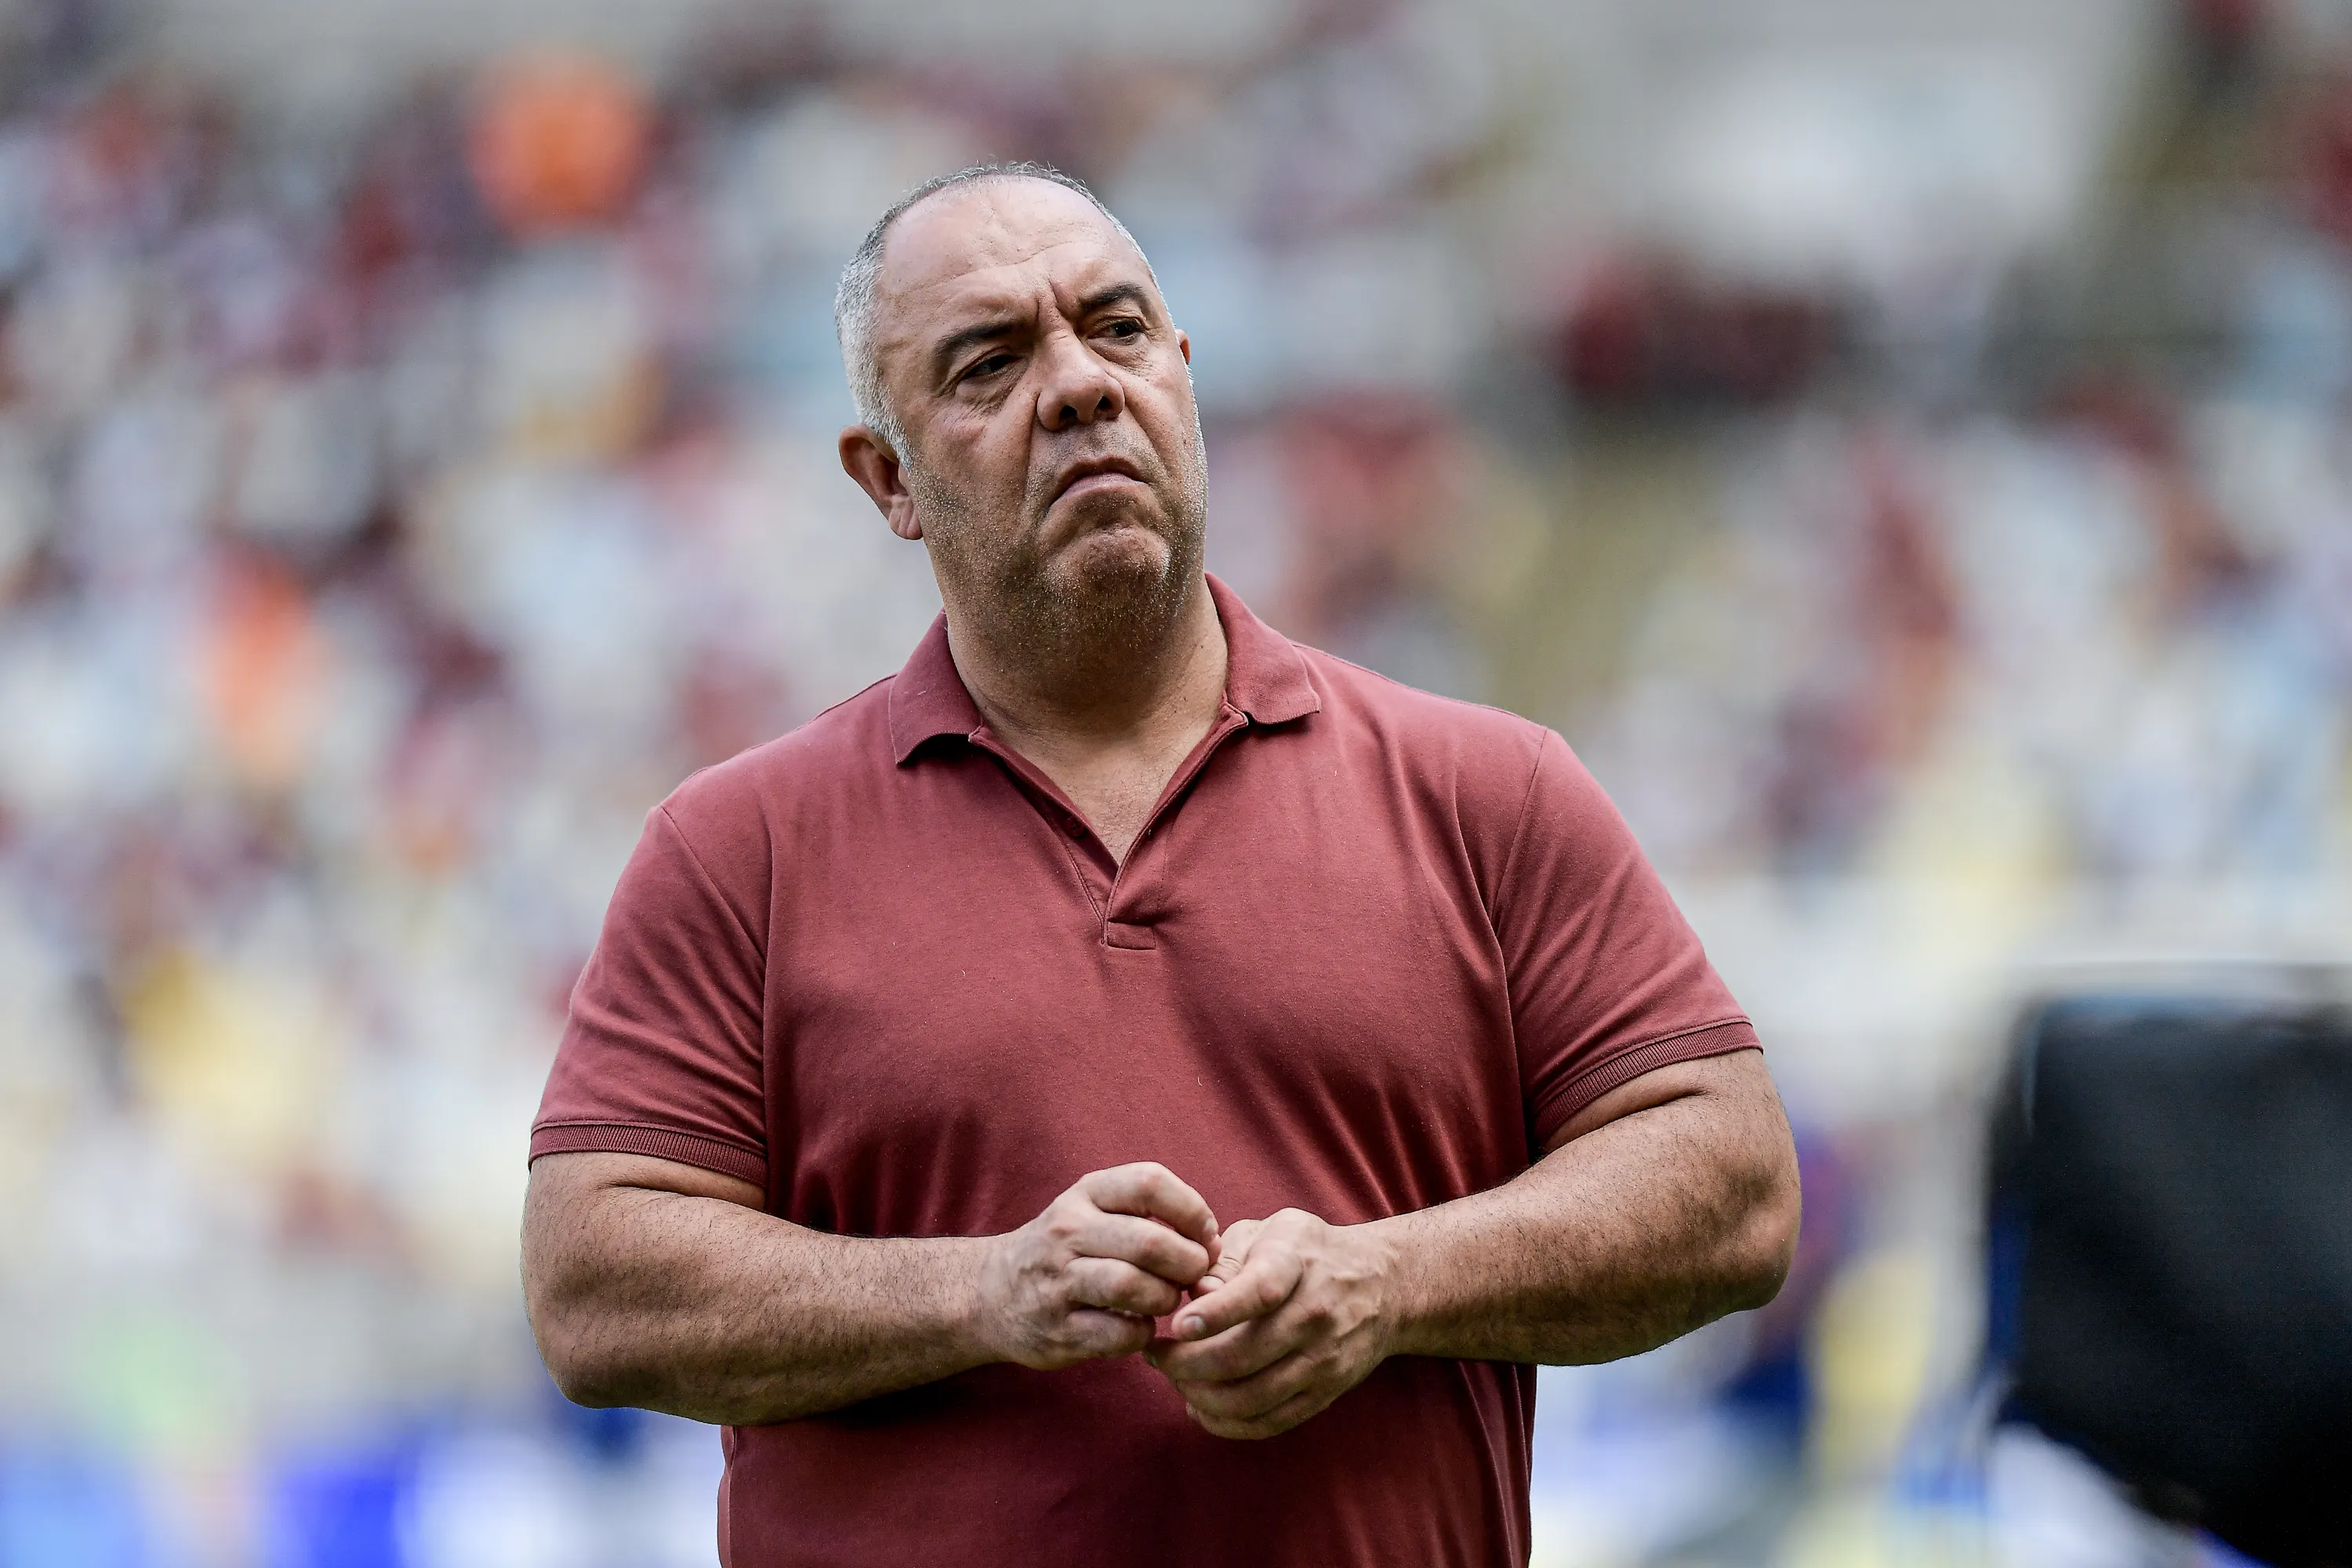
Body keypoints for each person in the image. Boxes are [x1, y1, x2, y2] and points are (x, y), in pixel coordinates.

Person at [521, 162, 1800, 1568]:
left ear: (1183, 377)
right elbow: (594, 1290)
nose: (1079, 385)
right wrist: (983, 1294)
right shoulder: (738, 852)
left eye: (1117, 330)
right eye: (990, 363)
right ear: (888, 480)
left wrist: (1390, 1278)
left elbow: (1734, 1186)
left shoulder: (1485, 792)